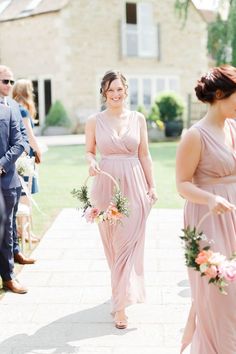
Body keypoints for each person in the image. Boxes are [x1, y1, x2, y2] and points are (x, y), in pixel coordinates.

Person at [85, 70, 157, 329]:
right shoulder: (94, 121)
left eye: (119, 89)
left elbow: (145, 154)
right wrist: (91, 163)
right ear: (104, 93)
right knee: (113, 247)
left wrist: (152, 186)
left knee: (127, 245)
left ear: (126, 90)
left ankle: (121, 308)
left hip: (135, 185)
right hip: (106, 185)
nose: (116, 94)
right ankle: (120, 294)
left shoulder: (138, 119)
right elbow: (90, 151)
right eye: (110, 90)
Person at [176, 65, 236, 353]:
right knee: (219, 292)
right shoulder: (195, 136)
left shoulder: (233, 127)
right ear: (221, 94)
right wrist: (211, 199)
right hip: (208, 219)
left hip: (233, 215)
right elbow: (182, 185)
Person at [0, 65, 36, 266]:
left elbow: (22, 139)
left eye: (12, 81)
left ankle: (15, 252)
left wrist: (4, 163)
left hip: (10, 174)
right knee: (3, 226)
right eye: (5, 81)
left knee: (12, 219)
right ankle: (8, 273)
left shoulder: (13, 105)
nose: (9, 85)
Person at [12, 79, 42, 244]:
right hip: (25, 157)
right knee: (25, 194)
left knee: (22, 194)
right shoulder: (22, 111)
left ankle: (25, 231)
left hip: (19, 155)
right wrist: (38, 151)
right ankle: (25, 232)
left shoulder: (12, 107)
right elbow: (30, 135)